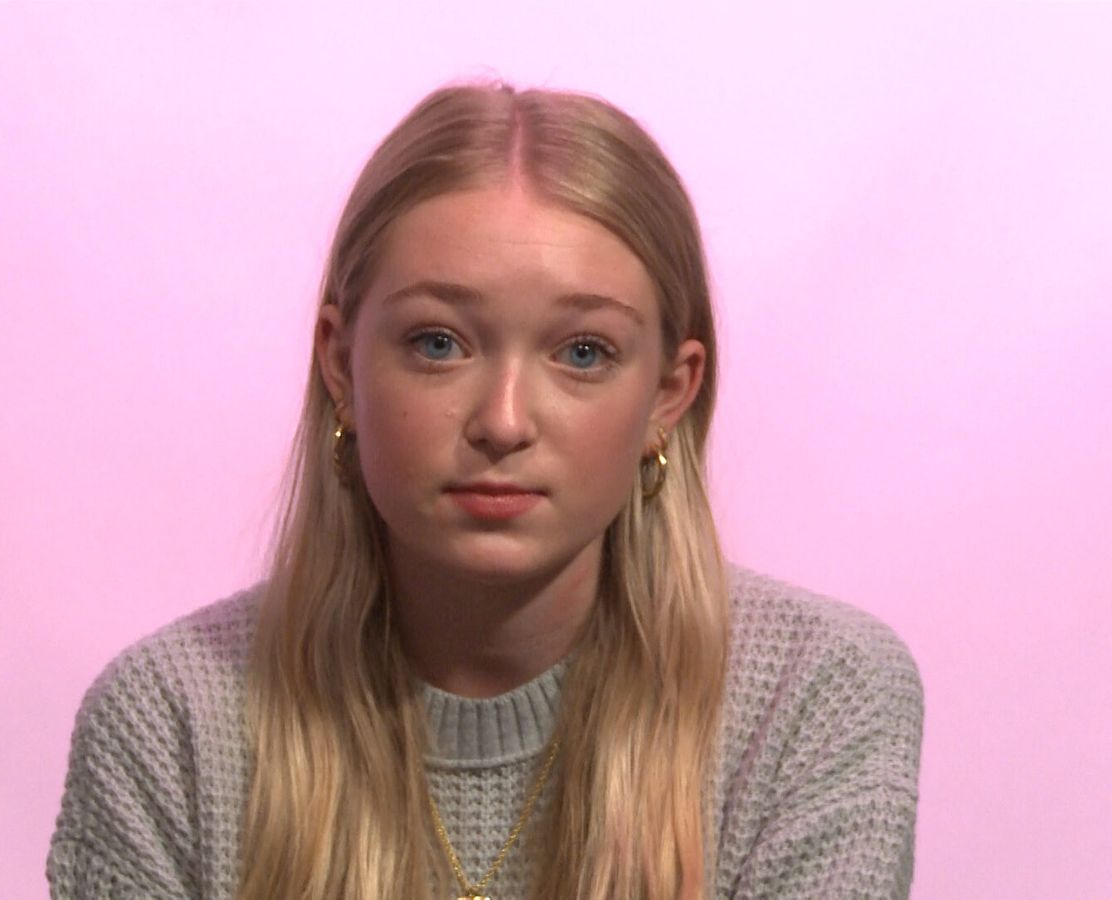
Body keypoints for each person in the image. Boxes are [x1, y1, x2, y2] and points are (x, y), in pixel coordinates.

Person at [47, 81, 923, 899]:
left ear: (669, 393)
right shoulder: (167, 722)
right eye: (438, 343)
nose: (503, 421)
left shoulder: (813, 697)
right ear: (340, 364)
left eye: (582, 352)